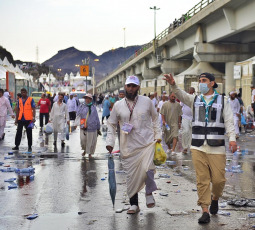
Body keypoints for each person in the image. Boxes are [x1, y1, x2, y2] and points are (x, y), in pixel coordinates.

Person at [164, 72, 237, 224]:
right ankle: (204, 210)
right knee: (202, 179)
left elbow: (229, 121)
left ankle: (215, 197)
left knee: (218, 180)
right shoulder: (195, 99)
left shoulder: (222, 100)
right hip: (197, 146)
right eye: (199, 81)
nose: (201, 83)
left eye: (204, 80)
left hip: (216, 146)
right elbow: (181, 94)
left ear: (212, 83)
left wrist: (232, 139)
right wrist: (173, 84)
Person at [106, 75, 161, 214]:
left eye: (133, 86)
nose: (131, 89)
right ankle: (134, 204)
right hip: (128, 147)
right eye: (128, 86)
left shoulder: (147, 101)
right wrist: (110, 142)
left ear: (138, 87)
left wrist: (158, 136)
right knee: (131, 176)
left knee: (148, 168)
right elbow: (111, 124)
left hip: (146, 143)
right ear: (125, 87)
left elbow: (155, 119)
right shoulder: (118, 105)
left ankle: (149, 192)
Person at [75, 94, 101, 158]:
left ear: (91, 100)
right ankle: (85, 150)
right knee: (83, 140)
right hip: (83, 126)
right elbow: (78, 115)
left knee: (91, 141)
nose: (87, 100)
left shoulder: (93, 107)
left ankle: (90, 153)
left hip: (92, 126)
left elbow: (96, 117)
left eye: (89, 98)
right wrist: (77, 124)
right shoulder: (82, 106)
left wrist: (98, 127)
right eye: (86, 98)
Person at [180, 87, 195, 154]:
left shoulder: (195, 98)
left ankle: (190, 146)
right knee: (185, 131)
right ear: (188, 91)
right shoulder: (184, 98)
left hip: (192, 118)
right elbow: (180, 107)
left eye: (192, 92)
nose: (191, 93)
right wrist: (179, 118)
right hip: (185, 117)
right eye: (190, 92)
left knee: (191, 133)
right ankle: (185, 147)